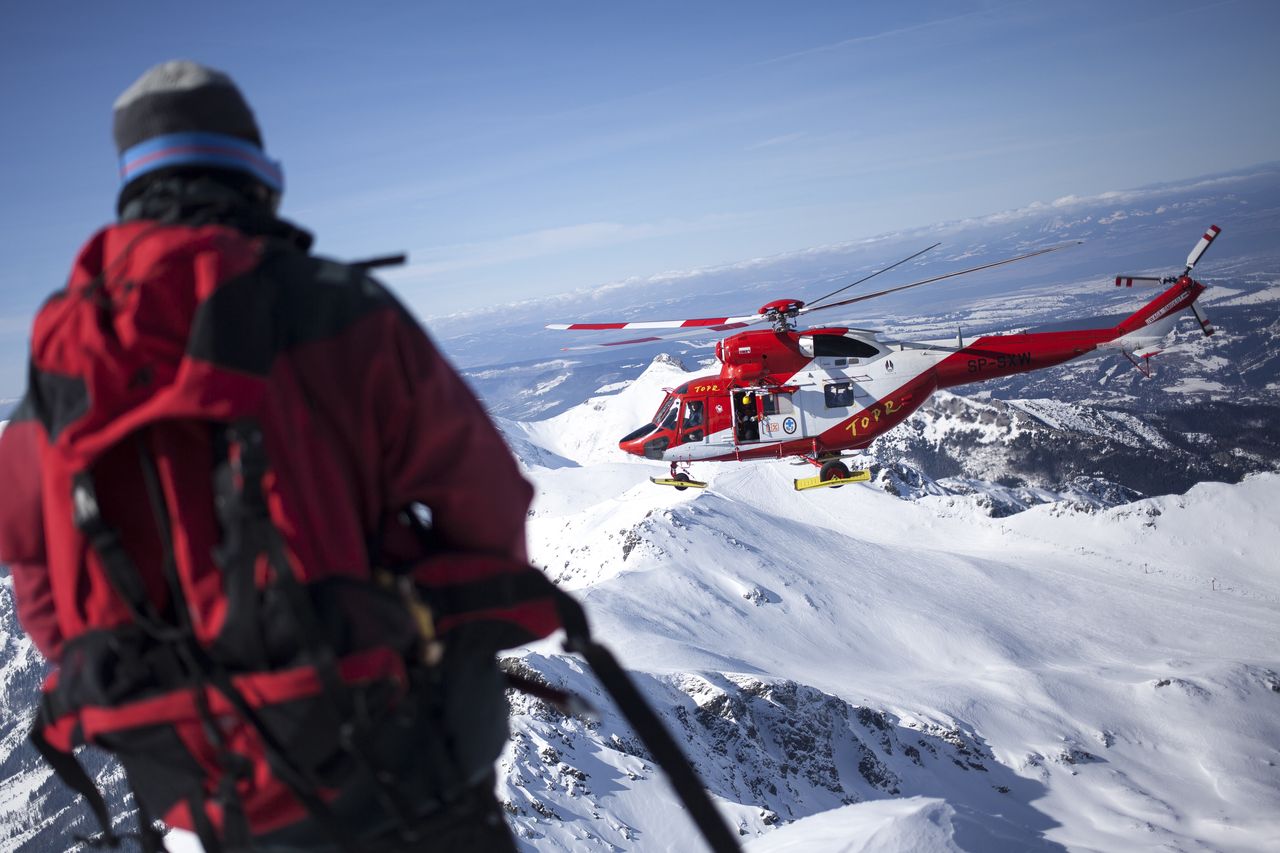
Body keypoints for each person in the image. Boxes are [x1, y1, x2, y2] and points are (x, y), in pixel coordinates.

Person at [0, 61, 532, 852]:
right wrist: (428, 610)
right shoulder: (338, 306)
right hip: (394, 750)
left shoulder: (66, 353)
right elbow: (485, 503)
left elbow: (33, 559)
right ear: (258, 175)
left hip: (201, 780)